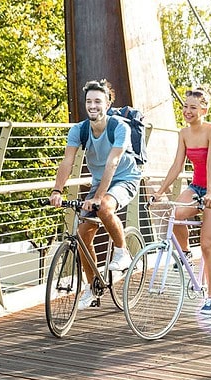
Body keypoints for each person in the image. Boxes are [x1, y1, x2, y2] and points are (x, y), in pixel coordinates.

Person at [50, 79, 142, 310]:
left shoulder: (120, 127)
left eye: (98, 101)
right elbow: (67, 162)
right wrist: (57, 190)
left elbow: (113, 163)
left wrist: (99, 198)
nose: (93, 105)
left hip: (124, 178)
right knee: (82, 237)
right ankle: (93, 287)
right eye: (89, 101)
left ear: (108, 104)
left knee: (104, 208)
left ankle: (122, 253)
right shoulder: (78, 130)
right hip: (100, 182)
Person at [153, 87, 211, 316]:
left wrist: (210, 193)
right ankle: (186, 253)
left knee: (207, 245)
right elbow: (177, 165)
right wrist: (160, 191)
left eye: (193, 107)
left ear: (204, 110)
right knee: (174, 215)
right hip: (196, 186)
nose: (187, 111)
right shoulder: (183, 133)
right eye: (185, 106)